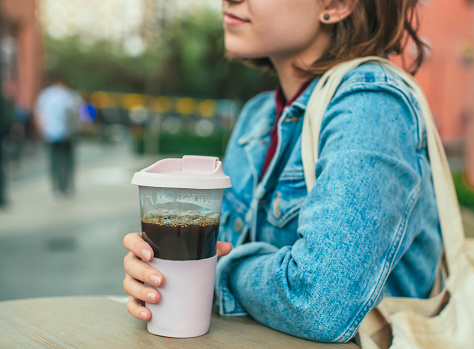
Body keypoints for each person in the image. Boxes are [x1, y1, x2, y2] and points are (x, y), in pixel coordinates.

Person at [123, 0, 442, 343]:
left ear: (336, 5)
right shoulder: (257, 116)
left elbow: (318, 303)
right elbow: (217, 249)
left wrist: (218, 271)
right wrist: (156, 274)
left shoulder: (372, 104)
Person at [35, 79, 81, 197]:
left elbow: (38, 113)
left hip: (50, 133)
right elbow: (77, 114)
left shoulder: (45, 95)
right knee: (68, 161)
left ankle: (56, 188)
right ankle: (67, 187)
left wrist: (41, 129)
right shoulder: (70, 95)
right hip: (67, 134)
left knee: (53, 162)